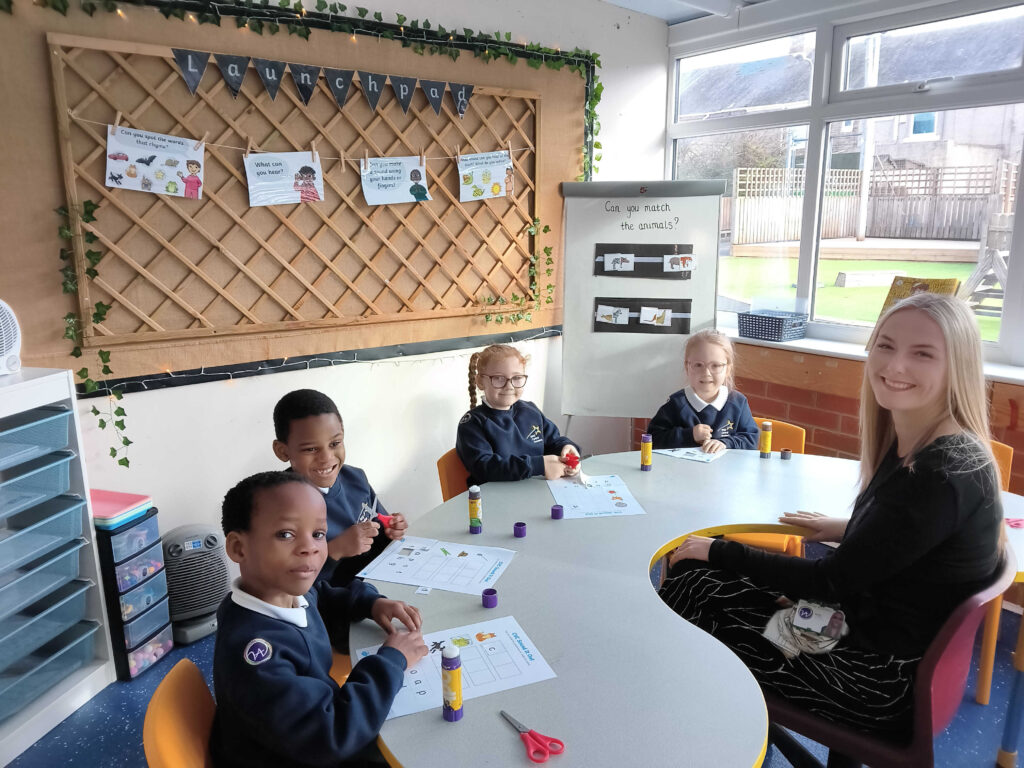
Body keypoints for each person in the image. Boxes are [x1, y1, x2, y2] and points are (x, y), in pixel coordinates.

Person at [658, 293, 1004, 737]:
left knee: (691, 585)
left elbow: (829, 581)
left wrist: (718, 551)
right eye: (885, 345)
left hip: (875, 680)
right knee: (698, 579)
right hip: (865, 632)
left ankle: (696, 737)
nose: (895, 365)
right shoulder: (929, 447)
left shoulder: (937, 473)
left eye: (923, 353)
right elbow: (906, 546)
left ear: (958, 366)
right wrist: (849, 529)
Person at [210, 471, 427, 767]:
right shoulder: (256, 654)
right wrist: (391, 661)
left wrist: (370, 603)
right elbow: (330, 735)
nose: (310, 547)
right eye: (286, 534)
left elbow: (321, 595)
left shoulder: (284, 593)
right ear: (238, 548)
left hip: (314, 729)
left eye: (318, 534)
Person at [273, 389, 408, 586]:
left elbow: (379, 523)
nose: (326, 458)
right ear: (282, 451)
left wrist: (392, 529)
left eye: (335, 443)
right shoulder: (278, 507)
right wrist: (335, 550)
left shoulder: (356, 479)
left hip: (378, 585)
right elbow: (286, 584)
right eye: (311, 449)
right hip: (334, 600)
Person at [456, 344, 581, 486]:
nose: (509, 386)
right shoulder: (472, 424)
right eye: (498, 378)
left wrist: (566, 448)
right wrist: (539, 465)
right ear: (480, 381)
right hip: (496, 495)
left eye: (516, 378)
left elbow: (554, 441)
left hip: (536, 488)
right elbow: (485, 468)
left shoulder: (530, 410)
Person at [647, 328, 758, 453]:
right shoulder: (676, 404)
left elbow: (751, 440)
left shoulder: (738, 403)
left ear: (727, 369)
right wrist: (689, 435)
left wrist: (725, 443)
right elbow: (653, 439)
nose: (706, 373)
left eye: (715, 365)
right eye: (698, 365)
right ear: (687, 367)